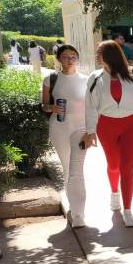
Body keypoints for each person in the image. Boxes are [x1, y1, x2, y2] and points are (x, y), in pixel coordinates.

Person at [84, 40, 133, 227]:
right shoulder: (95, 78)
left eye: (99, 52)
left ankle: (128, 210)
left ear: (109, 55)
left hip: (131, 125)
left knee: (126, 166)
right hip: (106, 125)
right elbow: (89, 106)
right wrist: (90, 130)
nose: (96, 55)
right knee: (113, 165)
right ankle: (114, 193)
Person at [40, 45, 89, 228]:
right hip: (59, 127)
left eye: (73, 56)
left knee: (77, 171)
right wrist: (51, 108)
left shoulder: (86, 80)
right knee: (67, 170)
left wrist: (92, 131)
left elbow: (92, 108)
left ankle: (78, 214)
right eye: (66, 56)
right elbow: (44, 105)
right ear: (59, 58)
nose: (70, 60)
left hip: (81, 128)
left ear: (77, 59)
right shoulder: (50, 80)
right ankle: (73, 207)